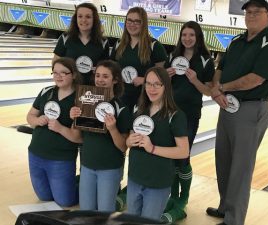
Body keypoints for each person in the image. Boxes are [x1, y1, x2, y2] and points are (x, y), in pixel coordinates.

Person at [206, 1, 268, 225]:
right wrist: (216, 89)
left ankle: (234, 219)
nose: (251, 16)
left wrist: (222, 88)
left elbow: (255, 79)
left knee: (241, 166)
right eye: (248, 12)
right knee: (223, 160)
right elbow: (220, 68)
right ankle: (224, 207)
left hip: (251, 108)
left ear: (267, 15)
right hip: (227, 106)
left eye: (256, 12)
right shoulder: (236, 41)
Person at [162, 21, 215, 223]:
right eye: (184, 34)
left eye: (191, 35)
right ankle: (172, 197)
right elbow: (160, 85)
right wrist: (165, 76)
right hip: (170, 113)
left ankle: (182, 199)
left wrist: (195, 81)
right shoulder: (172, 57)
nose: (187, 38)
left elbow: (209, 91)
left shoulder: (205, 60)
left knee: (183, 156)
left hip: (190, 114)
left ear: (198, 37)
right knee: (171, 157)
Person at [125, 67, 189, 221]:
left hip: (158, 182)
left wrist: (152, 148)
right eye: (148, 84)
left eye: (157, 84)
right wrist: (129, 141)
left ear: (165, 87)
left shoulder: (175, 115)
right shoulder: (138, 109)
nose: (151, 89)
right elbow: (128, 140)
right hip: (135, 177)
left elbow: (183, 151)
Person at [70, 60, 131, 212]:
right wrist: (74, 120)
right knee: (86, 211)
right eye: (97, 75)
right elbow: (77, 137)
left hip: (109, 169)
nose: (100, 80)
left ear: (115, 80)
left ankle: (120, 199)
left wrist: (112, 128)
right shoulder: (85, 102)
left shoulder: (121, 108)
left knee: (104, 212)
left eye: (105, 76)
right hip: (87, 166)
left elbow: (123, 146)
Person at [27, 57, 82, 207]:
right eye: (55, 72)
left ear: (74, 75)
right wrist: (37, 121)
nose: (58, 76)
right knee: (44, 197)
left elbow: (78, 138)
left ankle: (86, 184)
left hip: (60, 158)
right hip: (35, 154)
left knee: (65, 201)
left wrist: (60, 128)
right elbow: (30, 116)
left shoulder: (81, 99)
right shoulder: (46, 91)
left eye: (63, 72)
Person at [110, 6, 167, 112]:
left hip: (144, 99)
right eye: (129, 20)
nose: (132, 24)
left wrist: (145, 80)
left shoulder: (155, 46)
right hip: (120, 98)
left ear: (143, 24)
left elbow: (163, 76)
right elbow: (112, 69)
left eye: (137, 21)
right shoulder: (119, 44)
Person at [53, 2, 109, 85]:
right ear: (76, 19)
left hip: (92, 88)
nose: (83, 20)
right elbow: (56, 61)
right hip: (69, 86)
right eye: (80, 16)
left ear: (94, 19)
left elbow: (106, 68)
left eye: (88, 17)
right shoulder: (65, 38)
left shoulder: (103, 42)